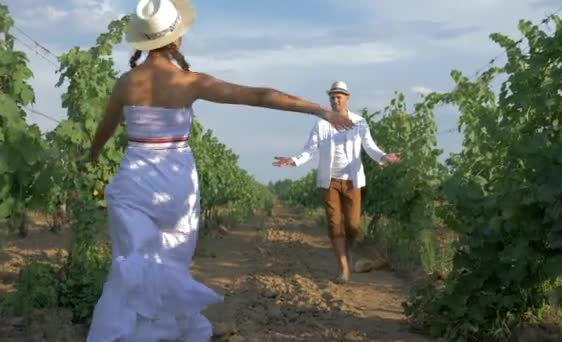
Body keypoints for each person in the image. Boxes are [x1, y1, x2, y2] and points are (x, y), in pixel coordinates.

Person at [85, 0, 353, 341]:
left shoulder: (125, 83)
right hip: (175, 184)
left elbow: (104, 130)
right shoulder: (190, 82)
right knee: (170, 264)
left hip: (133, 184)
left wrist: (93, 156)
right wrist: (318, 110)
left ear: (143, 40)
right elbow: (259, 95)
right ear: (176, 39)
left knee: (132, 266)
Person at [273, 81, 401, 283]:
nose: (335, 100)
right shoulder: (321, 125)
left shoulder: (359, 122)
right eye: (332, 97)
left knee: (353, 225)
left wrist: (385, 157)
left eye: (339, 96)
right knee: (335, 224)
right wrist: (294, 160)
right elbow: (310, 150)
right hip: (329, 181)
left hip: (352, 180)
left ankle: (348, 252)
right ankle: (343, 267)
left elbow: (370, 147)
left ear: (347, 98)